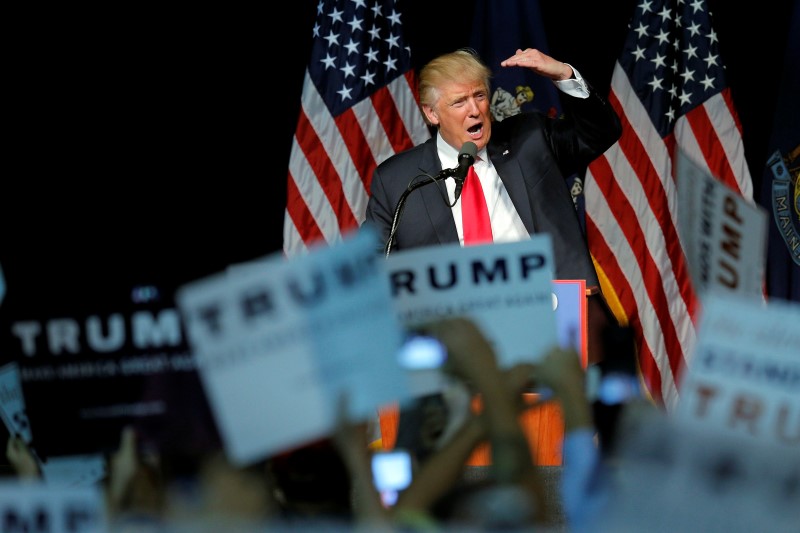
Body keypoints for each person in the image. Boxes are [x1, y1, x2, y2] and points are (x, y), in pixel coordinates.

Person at [364, 46, 622, 463]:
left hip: (553, 317)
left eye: (479, 96)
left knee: (559, 449)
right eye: (459, 102)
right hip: (461, 338)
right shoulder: (399, 180)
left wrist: (563, 74)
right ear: (432, 114)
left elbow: (601, 130)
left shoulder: (530, 139)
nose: (474, 111)